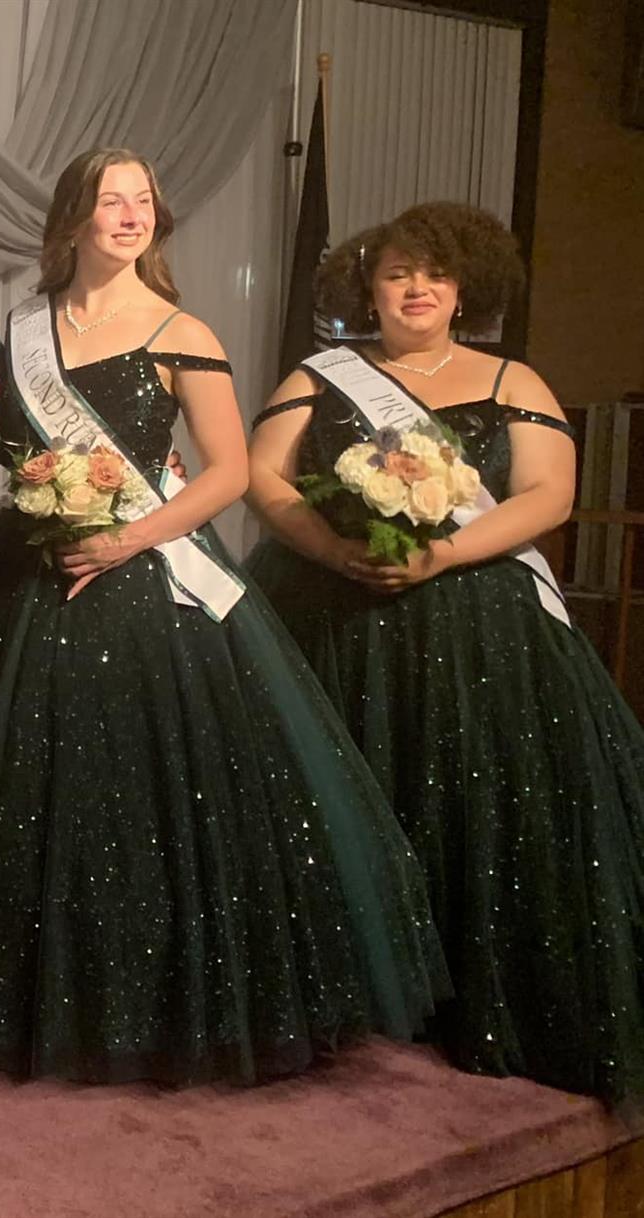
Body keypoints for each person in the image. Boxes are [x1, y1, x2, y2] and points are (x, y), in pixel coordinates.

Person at [0, 148, 447, 1086]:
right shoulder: (22, 328)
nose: (131, 214)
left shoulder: (184, 329)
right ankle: (33, 996)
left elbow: (226, 470)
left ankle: (151, 1006)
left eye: (143, 201)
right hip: (37, 585)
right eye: (111, 201)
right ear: (73, 218)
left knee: (146, 800)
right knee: (32, 801)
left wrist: (126, 538)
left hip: (148, 583)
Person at [246, 201, 644, 1110]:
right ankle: (346, 996)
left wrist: (444, 553)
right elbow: (264, 474)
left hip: (476, 627)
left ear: (466, 287)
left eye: (433, 273)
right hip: (331, 611)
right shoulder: (322, 374)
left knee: (473, 796)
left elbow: (547, 496)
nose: (416, 288)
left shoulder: (513, 378)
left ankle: (465, 989)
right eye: (396, 273)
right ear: (367, 288)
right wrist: (329, 547)